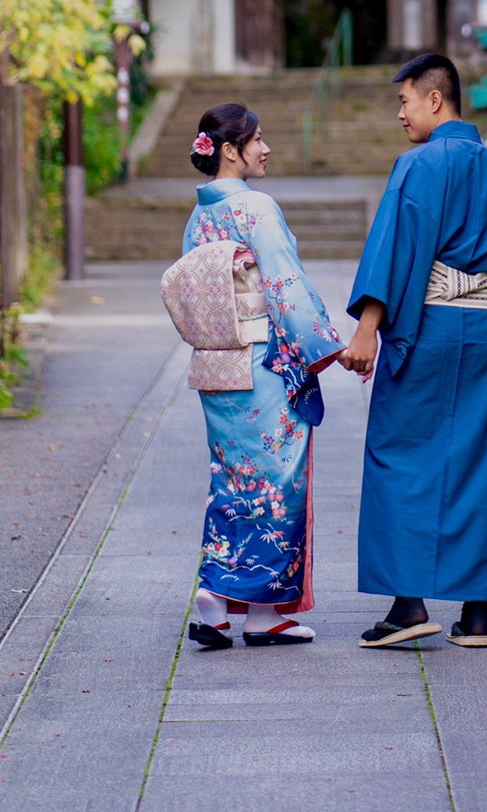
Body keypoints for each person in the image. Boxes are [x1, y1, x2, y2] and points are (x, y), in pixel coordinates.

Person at [341, 53, 487, 649]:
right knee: (478, 464)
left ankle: (408, 606)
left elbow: (395, 252)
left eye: (404, 101)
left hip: (426, 328)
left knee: (398, 457)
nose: (399, 114)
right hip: (482, 330)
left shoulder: (418, 165)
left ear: (435, 99)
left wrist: (366, 332)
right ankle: (476, 617)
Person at [178, 102, 344, 648]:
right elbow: (283, 285)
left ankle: (218, 599)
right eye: (257, 139)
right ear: (231, 150)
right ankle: (265, 611)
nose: (265, 147)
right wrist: (325, 345)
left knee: (232, 479)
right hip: (265, 368)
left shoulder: (199, 217)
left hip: (219, 364)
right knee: (277, 483)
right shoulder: (256, 208)